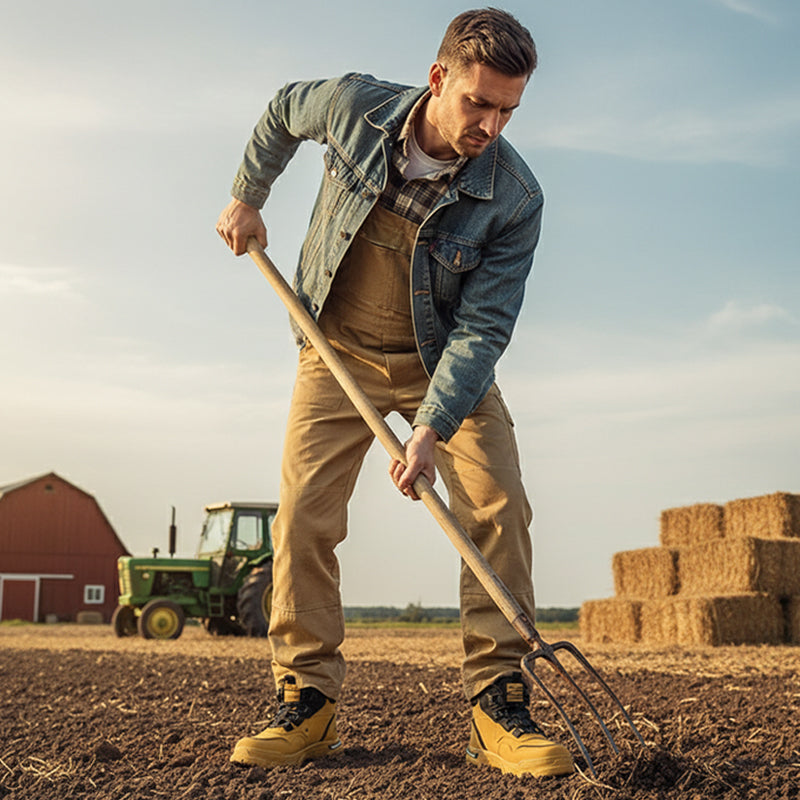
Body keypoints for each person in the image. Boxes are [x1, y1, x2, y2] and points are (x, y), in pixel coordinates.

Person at [216, 7, 573, 779]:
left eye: (509, 109)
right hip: (333, 348)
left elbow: (483, 326)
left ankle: (498, 703)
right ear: (439, 77)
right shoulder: (354, 106)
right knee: (304, 519)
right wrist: (249, 194)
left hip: (442, 360)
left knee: (500, 505)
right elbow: (283, 111)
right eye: (479, 102)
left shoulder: (515, 199)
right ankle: (305, 702)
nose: (491, 124)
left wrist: (431, 428)